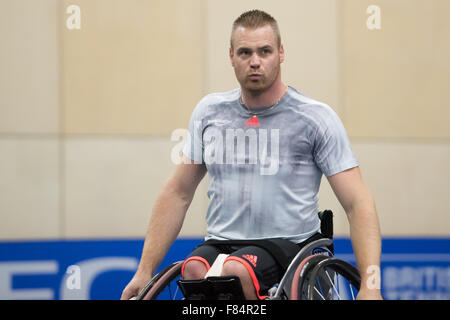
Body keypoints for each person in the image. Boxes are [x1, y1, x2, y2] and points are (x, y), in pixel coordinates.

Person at [121, 9, 382, 300]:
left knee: (237, 270)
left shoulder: (314, 118)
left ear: (281, 53)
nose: (255, 61)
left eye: (265, 51)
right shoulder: (209, 113)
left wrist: (370, 286)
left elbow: (358, 202)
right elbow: (178, 193)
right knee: (193, 269)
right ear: (231, 56)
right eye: (245, 52)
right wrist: (144, 273)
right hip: (223, 243)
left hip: (289, 246)